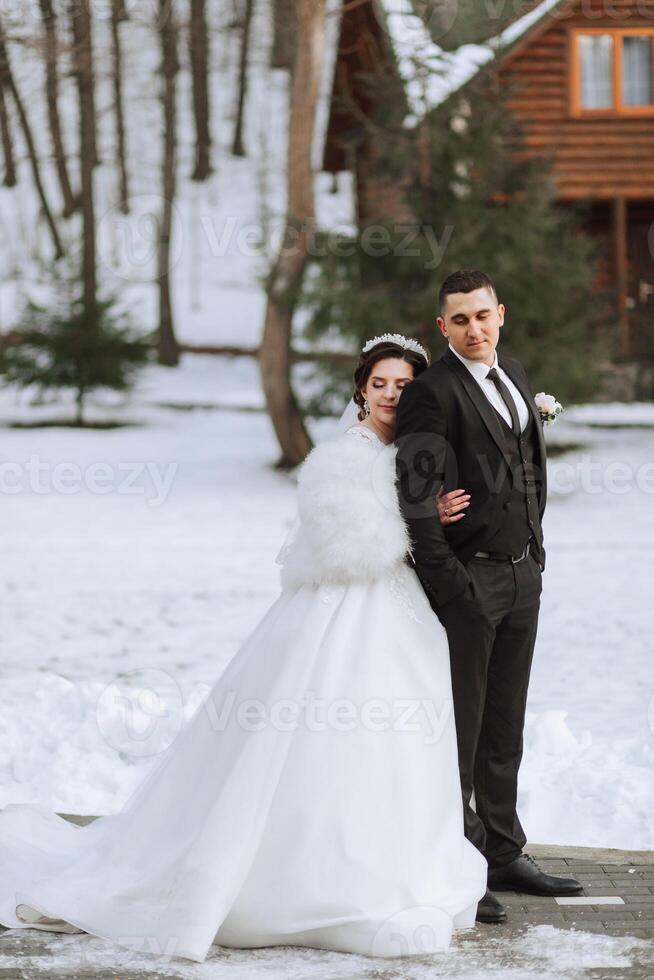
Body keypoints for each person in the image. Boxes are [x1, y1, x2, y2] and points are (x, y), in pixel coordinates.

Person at [0, 336, 486, 964]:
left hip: (400, 613)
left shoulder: (410, 456)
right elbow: (346, 547)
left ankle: (402, 863)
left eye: (404, 386)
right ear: (361, 389)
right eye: (381, 383)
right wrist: (419, 520)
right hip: (342, 612)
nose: (392, 395)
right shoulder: (342, 456)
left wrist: (433, 513)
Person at [395, 269, 583, 925]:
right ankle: (461, 867)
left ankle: (505, 852)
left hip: (523, 574)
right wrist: (455, 586)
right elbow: (416, 500)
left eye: (483, 315)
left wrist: (533, 551)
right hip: (470, 583)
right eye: (460, 320)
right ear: (442, 328)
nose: (474, 329)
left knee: (503, 728)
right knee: (462, 737)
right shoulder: (429, 395)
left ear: (499, 314)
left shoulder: (517, 377)